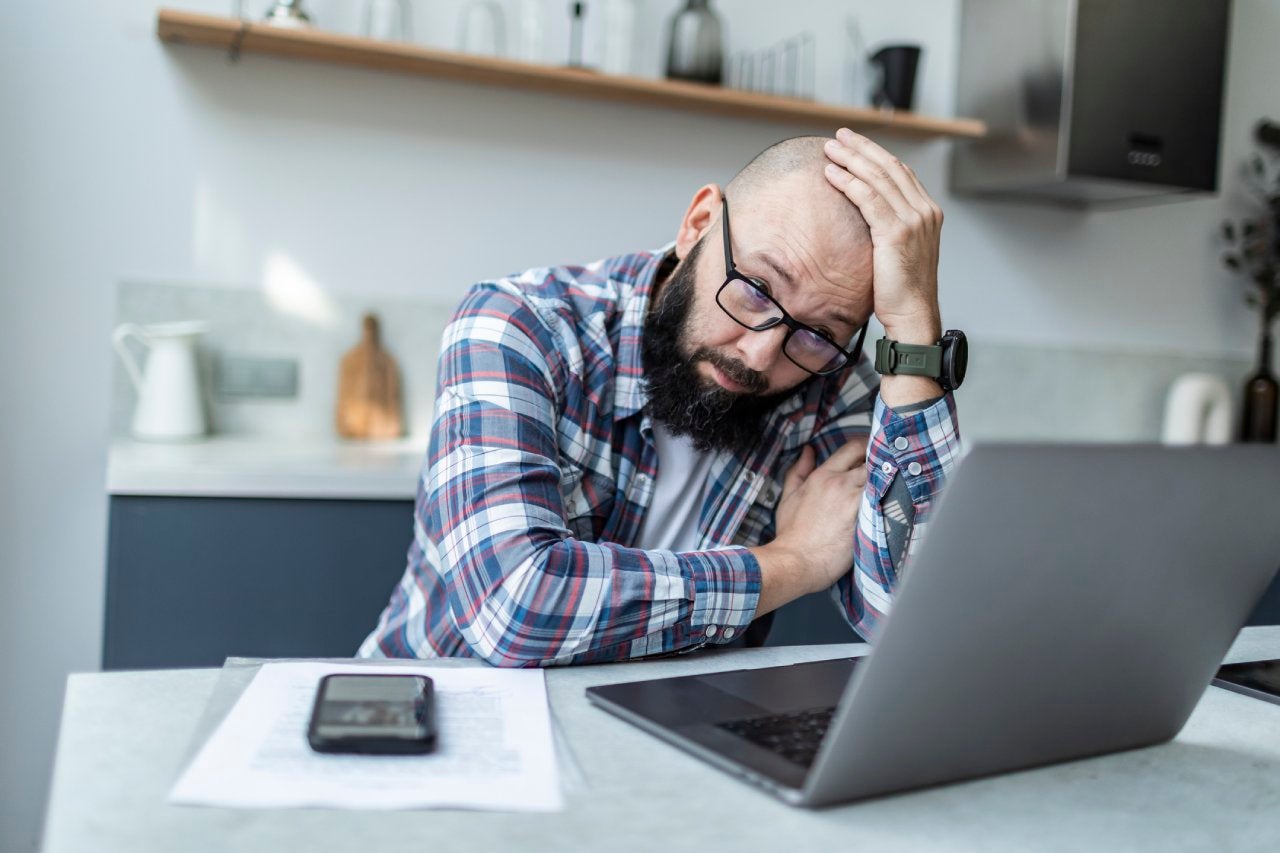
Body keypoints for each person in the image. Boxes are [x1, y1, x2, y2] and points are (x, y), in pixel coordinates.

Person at [359, 129, 964, 665]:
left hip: (670, 743)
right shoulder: (520, 326)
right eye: (755, 289)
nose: (760, 355)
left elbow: (910, 622)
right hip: (445, 717)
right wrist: (792, 563)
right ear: (698, 223)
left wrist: (914, 327)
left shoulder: (831, 381)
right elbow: (516, 606)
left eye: (815, 333)